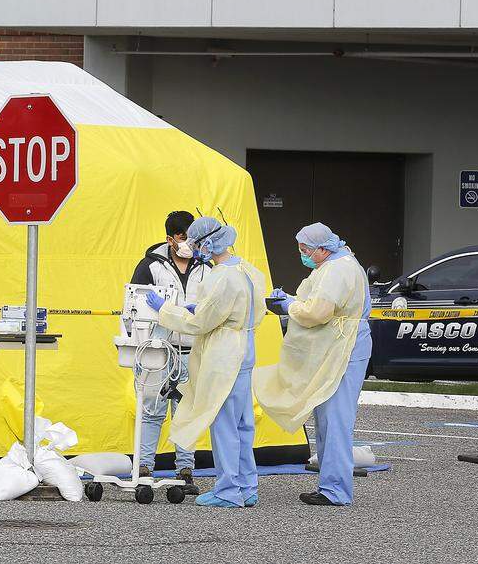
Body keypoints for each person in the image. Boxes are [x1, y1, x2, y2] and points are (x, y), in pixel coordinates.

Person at [145, 216, 266, 507]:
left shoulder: (220, 276)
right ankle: (247, 487)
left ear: (208, 243)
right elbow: (251, 310)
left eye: (196, 243)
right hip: (244, 348)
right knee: (242, 424)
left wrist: (168, 311)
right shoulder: (246, 270)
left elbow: (200, 323)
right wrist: (202, 308)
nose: (194, 249)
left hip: (225, 353)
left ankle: (228, 492)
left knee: (223, 423)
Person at [253, 222, 371, 506]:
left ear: (322, 248)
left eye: (305, 250)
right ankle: (330, 485)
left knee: (336, 420)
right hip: (337, 347)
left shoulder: (338, 269)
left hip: (344, 348)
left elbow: (319, 311)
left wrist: (289, 307)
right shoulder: (333, 265)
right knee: (327, 418)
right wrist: (294, 300)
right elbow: (320, 301)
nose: (302, 254)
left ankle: (335, 490)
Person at [129, 210, 212, 494]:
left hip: (192, 348)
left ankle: (185, 471)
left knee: (186, 412)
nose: (189, 243)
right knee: (152, 410)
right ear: (170, 239)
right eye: (183, 237)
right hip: (157, 349)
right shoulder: (150, 266)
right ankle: (144, 468)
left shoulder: (207, 267)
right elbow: (132, 307)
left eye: (193, 237)